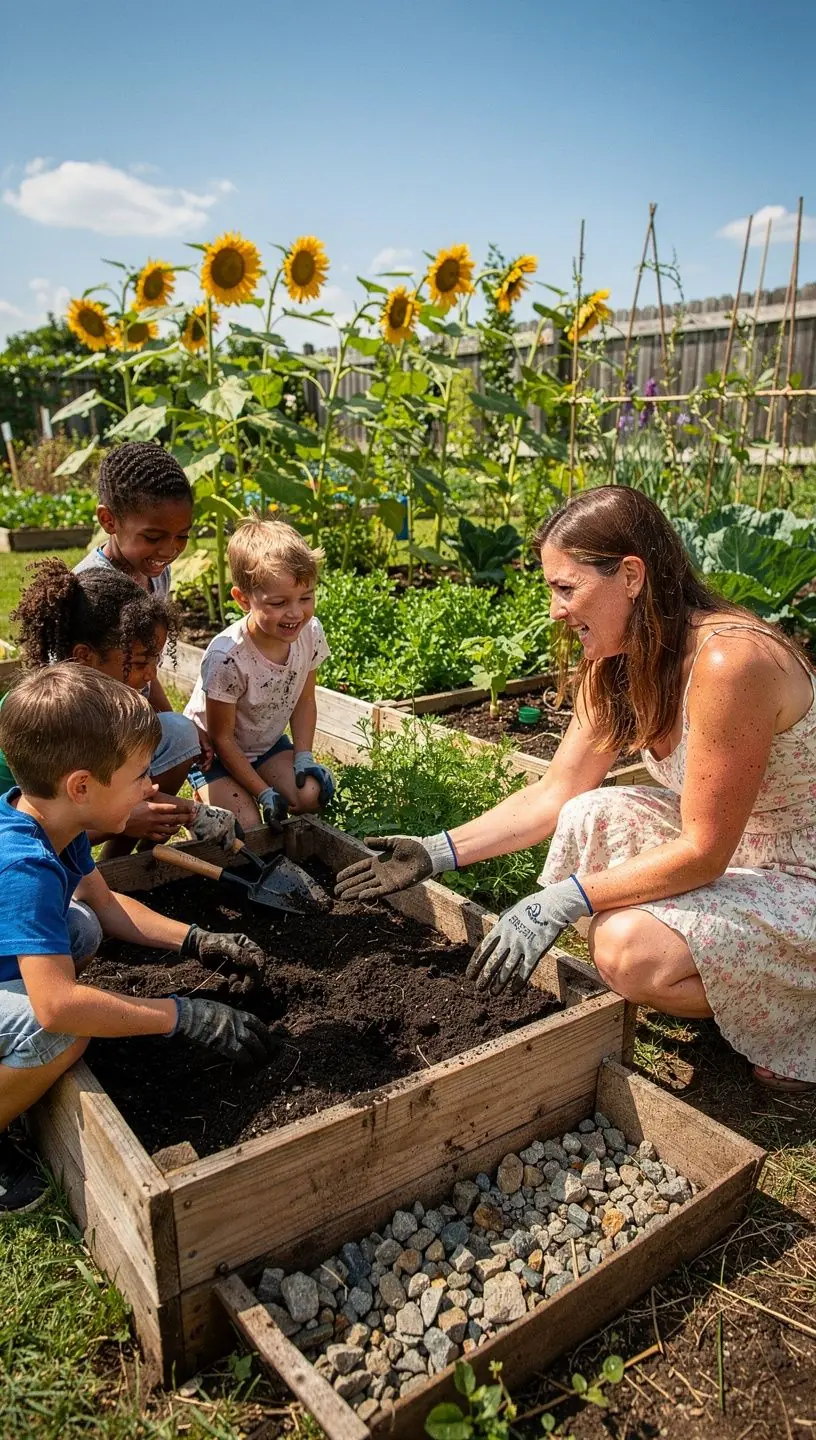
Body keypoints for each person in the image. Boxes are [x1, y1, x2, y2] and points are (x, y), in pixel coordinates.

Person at [336, 486, 816, 1094]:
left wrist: (562, 899)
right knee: (589, 814)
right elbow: (555, 791)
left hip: (800, 870)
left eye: (567, 588)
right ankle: (751, 985)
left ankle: (799, 1015)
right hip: (746, 849)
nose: (556, 611)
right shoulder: (619, 655)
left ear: (632, 577)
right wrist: (435, 851)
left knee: (624, 950)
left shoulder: (729, 663)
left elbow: (704, 850)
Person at [0, 664, 277, 1213]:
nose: (151, 787)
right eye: (138, 777)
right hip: (49, 1004)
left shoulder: (53, 820)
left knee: (81, 924)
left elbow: (107, 905)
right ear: (81, 786)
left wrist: (198, 940)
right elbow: (57, 1008)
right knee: (64, 1034)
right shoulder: (24, 867)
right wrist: (181, 1014)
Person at [1, 559, 238, 857]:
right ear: (84, 657)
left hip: (66, 815)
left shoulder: (99, 701)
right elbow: (47, 822)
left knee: (178, 731)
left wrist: (193, 812)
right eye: (139, 664)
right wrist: (128, 821)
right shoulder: (55, 717)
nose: (151, 674)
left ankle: (117, 865)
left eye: (156, 660)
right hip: (20, 837)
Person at [184, 518, 335, 832]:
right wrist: (262, 791)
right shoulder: (228, 657)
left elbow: (305, 701)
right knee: (246, 824)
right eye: (279, 603)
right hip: (215, 756)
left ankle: (245, 791)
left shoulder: (310, 634)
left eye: (306, 597)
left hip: (264, 746)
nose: (296, 613)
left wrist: (303, 756)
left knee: (310, 794)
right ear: (242, 599)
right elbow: (220, 738)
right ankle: (204, 797)